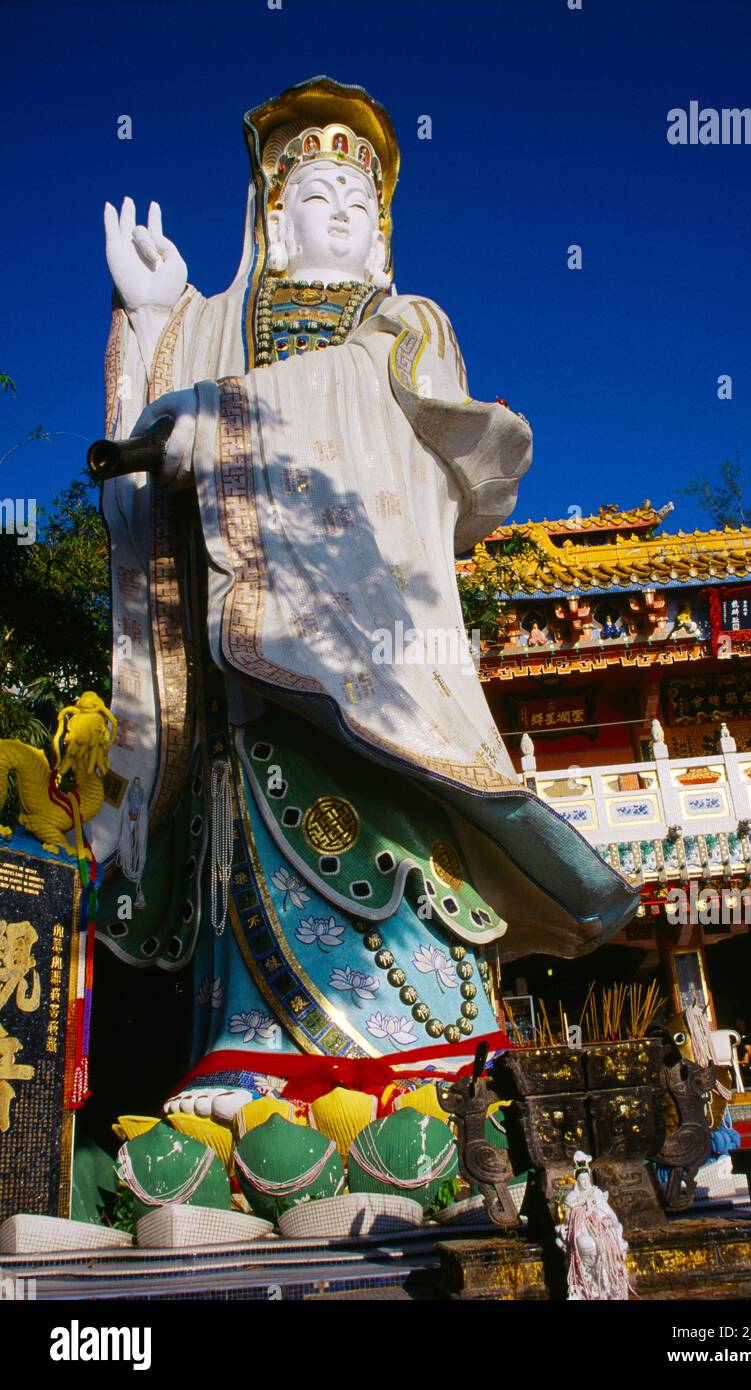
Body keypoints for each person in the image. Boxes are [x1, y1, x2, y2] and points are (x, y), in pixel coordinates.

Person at [93, 77, 636, 1111]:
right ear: (273, 219)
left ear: (382, 239)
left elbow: (421, 442)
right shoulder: (216, 327)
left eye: (358, 200)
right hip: (245, 681)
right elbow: (141, 451)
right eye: (317, 196)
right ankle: (255, 1047)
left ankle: (435, 1055)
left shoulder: (404, 322)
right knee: (254, 821)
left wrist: (218, 419)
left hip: (377, 647)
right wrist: (156, 311)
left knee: (396, 820)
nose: (340, 212)